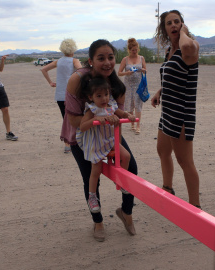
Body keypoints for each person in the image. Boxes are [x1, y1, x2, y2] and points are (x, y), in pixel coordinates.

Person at [61, 39, 138, 242]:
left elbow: (118, 114)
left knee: (131, 167)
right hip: (85, 137)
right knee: (90, 176)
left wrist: (121, 117)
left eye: (110, 57)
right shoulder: (77, 80)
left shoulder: (116, 85)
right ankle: (98, 222)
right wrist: (97, 119)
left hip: (106, 134)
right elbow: (74, 120)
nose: (107, 62)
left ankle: (126, 213)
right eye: (101, 58)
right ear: (90, 61)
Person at [151, 10, 201, 209]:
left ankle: (195, 208)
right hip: (168, 112)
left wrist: (184, 32)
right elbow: (174, 76)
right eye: (169, 23)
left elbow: (187, 44)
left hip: (181, 113)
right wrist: (160, 91)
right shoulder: (170, 51)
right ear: (163, 28)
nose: (173, 25)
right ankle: (167, 189)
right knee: (162, 151)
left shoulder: (190, 47)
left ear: (183, 25)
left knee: (184, 160)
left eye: (177, 22)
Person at [76, 75, 136, 214]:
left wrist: (129, 116)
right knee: (95, 171)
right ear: (91, 97)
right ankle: (92, 196)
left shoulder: (111, 106)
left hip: (110, 140)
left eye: (106, 94)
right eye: (99, 96)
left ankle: (120, 180)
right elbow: (82, 126)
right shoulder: (92, 110)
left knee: (126, 156)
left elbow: (121, 113)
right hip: (97, 143)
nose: (104, 99)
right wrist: (95, 120)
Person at [40, 38, 82, 153]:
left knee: (65, 118)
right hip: (72, 94)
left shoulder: (58, 61)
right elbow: (81, 71)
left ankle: (67, 144)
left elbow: (43, 69)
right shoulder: (74, 61)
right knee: (74, 117)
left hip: (59, 94)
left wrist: (50, 82)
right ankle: (75, 141)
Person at [117, 38, 147, 134]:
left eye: (136, 50)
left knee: (138, 104)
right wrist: (127, 73)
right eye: (132, 50)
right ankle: (132, 123)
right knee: (130, 104)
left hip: (139, 85)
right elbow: (119, 73)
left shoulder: (141, 58)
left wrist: (142, 70)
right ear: (129, 50)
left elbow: (145, 69)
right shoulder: (125, 59)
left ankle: (138, 125)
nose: (134, 52)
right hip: (128, 85)